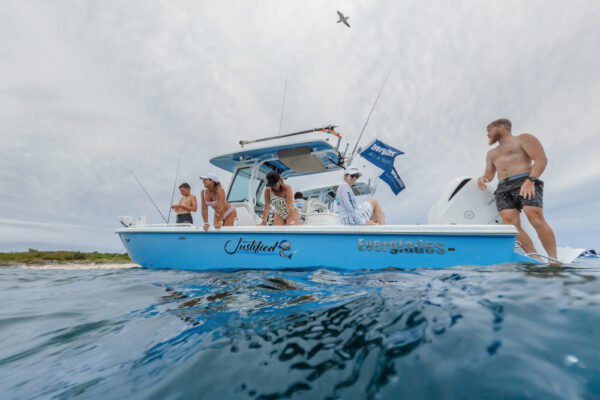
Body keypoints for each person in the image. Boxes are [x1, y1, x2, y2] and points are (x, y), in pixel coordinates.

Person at [477, 118, 557, 260]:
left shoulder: (523, 139)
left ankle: (554, 260)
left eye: (489, 130)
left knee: (536, 219)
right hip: (503, 187)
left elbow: (541, 159)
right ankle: (535, 258)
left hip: (524, 181)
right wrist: (482, 178)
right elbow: (489, 174)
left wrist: (531, 180)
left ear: (501, 126)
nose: (487, 134)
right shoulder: (491, 154)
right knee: (511, 225)